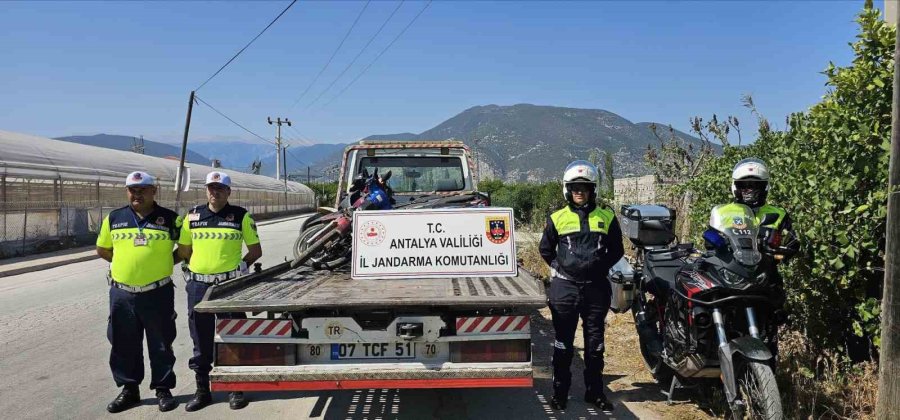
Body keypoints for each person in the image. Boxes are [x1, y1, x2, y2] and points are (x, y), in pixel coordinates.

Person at [539, 160, 624, 411]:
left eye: (584, 188)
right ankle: (560, 393)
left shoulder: (607, 216)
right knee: (563, 344)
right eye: (575, 188)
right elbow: (545, 249)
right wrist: (562, 267)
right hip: (565, 289)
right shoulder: (557, 218)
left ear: (592, 190)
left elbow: (617, 250)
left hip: (596, 289)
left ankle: (594, 392)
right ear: (567, 190)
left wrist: (599, 267)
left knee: (595, 345)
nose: (579, 192)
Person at [96, 171, 181, 413]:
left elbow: (186, 249)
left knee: (161, 343)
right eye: (132, 190)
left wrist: (163, 263)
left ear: (154, 191)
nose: (137, 194)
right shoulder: (114, 218)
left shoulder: (170, 219)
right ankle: (129, 389)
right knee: (123, 343)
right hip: (122, 295)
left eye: (142, 190)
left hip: (157, 292)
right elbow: (102, 249)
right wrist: (125, 264)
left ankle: (163, 389)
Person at [178, 171, 262, 411]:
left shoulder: (241, 216)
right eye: (211, 188)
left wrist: (239, 270)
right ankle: (202, 390)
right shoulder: (192, 216)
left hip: (229, 286)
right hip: (199, 286)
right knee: (200, 339)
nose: (215, 192)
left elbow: (255, 251)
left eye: (220, 188)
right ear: (206, 190)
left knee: (233, 337)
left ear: (228, 192)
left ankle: (236, 389)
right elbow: (184, 251)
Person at [710, 158, 799, 354]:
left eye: (755, 185)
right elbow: (712, 238)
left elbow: (791, 239)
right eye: (744, 185)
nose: (749, 189)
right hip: (731, 274)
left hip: (765, 278)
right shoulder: (722, 212)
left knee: (770, 329)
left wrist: (786, 248)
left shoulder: (778, 214)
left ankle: (768, 367)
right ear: (735, 187)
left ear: (765, 187)